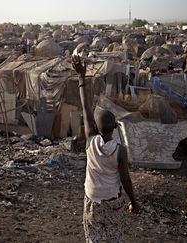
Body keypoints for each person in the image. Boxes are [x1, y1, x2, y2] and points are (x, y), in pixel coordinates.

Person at [72, 55, 139, 243]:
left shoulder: (90, 141)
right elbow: (125, 179)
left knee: (93, 237)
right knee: (115, 236)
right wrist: (133, 202)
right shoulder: (120, 151)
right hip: (112, 201)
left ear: (96, 127)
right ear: (115, 128)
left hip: (92, 198)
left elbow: (85, 108)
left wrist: (81, 78)